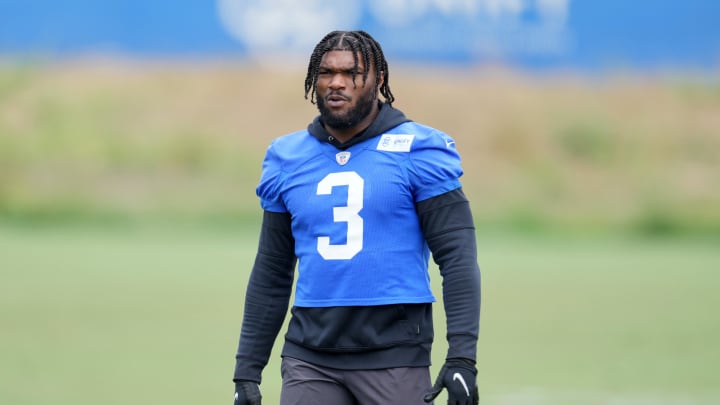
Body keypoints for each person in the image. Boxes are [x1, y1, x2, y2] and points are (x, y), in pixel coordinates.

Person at [233, 30, 481, 405]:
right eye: (326, 72)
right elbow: (271, 270)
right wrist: (247, 371)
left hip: (393, 352)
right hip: (309, 356)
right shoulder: (287, 156)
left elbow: (458, 257)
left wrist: (463, 356)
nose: (337, 83)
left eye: (352, 73)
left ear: (378, 80)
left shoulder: (419, 149)